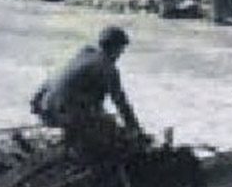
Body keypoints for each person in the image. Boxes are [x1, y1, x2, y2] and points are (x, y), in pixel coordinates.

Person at [30, 25, 146, 158]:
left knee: (95, 112)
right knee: (111, 130)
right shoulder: (107, 66)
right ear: (115, 48)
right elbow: (121, 103)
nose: (120, 55)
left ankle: (75, 143)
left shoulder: (84, 54)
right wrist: (135, 130)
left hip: (44, 108)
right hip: (64, 113)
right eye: (121, 50)